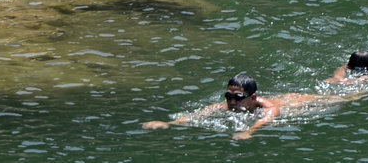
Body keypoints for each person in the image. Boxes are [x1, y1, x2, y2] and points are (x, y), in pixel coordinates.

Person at [142, 72, 351, 140]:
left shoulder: (268, 108)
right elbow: (199, 114)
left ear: (253, 97)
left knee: (349, 97)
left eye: (238, 97)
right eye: (228, 96)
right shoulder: (230, 105)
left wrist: (249, 131)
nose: (231, 102)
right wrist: (168, 123)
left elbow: (266, 120)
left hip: (303, 101)